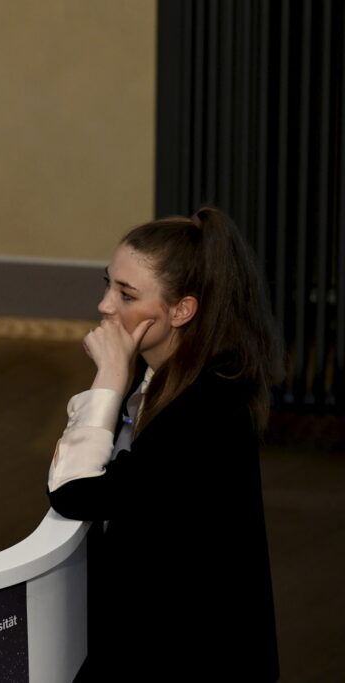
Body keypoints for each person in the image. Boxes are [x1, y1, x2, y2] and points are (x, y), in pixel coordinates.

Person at [47, 207, 281, 680]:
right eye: (108, 283)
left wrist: (108, 381)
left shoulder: (204, 408)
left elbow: (75, 494)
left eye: (126, 293)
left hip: (184, 652)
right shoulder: (172, 372)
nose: (106, 306)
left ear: (182, 310)